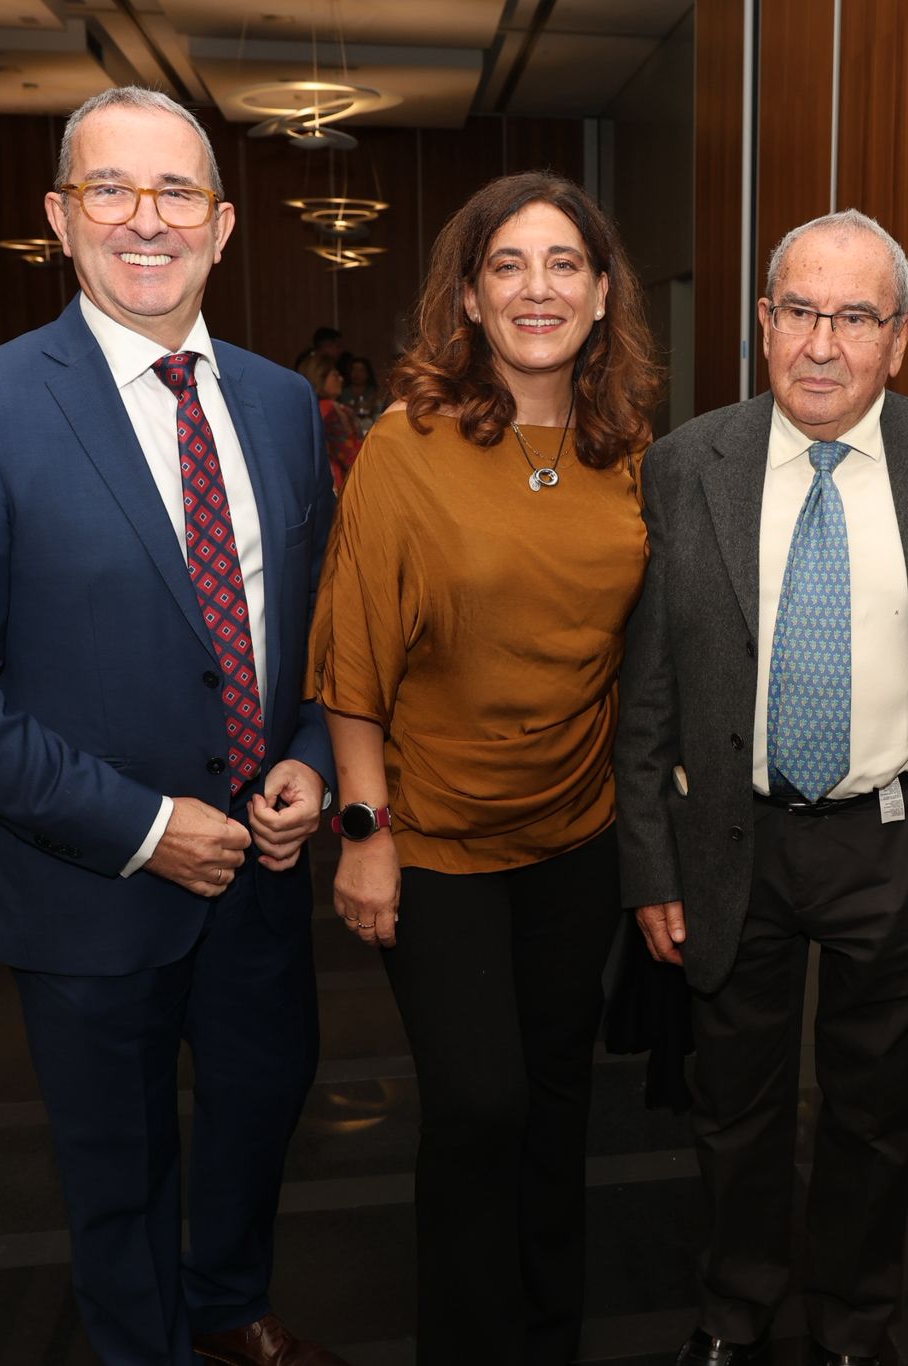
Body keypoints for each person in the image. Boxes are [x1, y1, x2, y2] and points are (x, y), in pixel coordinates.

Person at [0, 86, 345, 1366]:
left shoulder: (281, 407)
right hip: (86, 881)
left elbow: (303, 639)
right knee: (119, 1161)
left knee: (256, 1111)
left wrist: (305, 761)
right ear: (58, 218)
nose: (147, 221)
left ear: (225, 222)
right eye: (111, 191)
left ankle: (225, 1301)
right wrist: (143, 829)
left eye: (176, 192)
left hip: (261, 874)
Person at [614, 209, 908, 1366]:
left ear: (899, 338)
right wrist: (651, 859)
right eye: (798, 310)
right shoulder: (683, 464)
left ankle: (853, 1322)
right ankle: (733, 1307)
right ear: (762, 322)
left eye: (854, 317)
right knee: (733, 1105)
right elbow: (643, 686)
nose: (821, 342)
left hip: (900, 838)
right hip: (728, 839)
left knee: (874, 1111)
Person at [306, 169, 660, 1366]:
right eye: (507, 265)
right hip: (437, 839)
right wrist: (364, 828)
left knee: (557, 1105)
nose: (537, 287)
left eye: (563, 263)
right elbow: (352, 654)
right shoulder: (408, 448)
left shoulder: (627, 449)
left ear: (603, 294)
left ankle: (544, 1335)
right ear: (468, 296)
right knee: (477, 1105)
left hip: (577, 834)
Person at [296, 354, 362, 494]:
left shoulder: (301, 409)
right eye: (335, 375)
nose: (341, 379)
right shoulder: (334, 411)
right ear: (320, 377)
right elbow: (352, 457)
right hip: (335, 486)